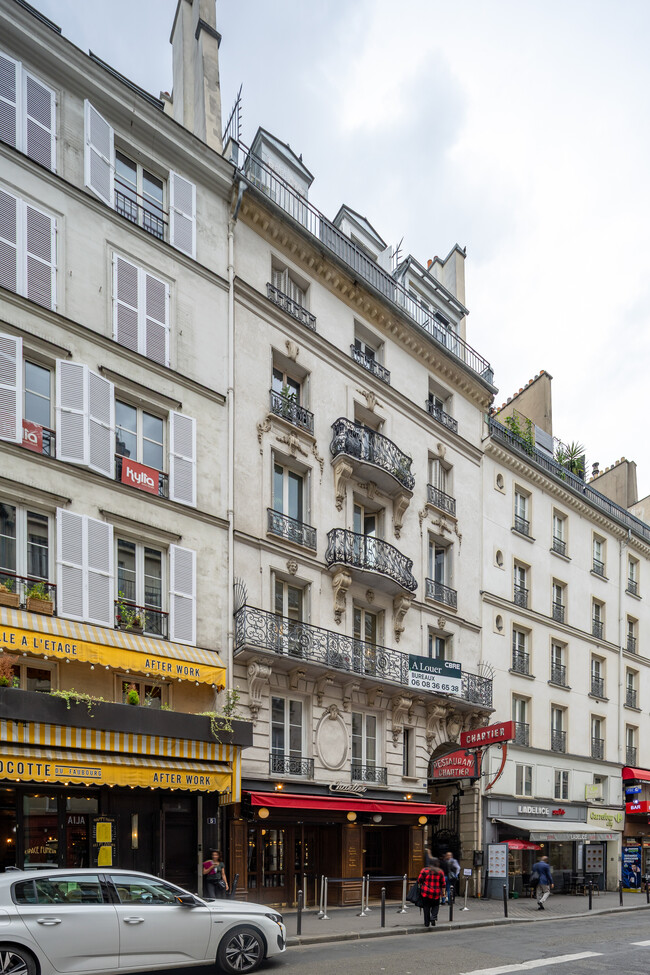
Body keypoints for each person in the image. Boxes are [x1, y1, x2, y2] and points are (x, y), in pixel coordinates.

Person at [417, 857, 445, 927]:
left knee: (426, 907)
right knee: (436, 905)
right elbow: (443, 883)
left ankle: (426, 923)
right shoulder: (440, 872)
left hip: (426, 892)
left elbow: (419, 880)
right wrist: (443, 892)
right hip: (436, 892)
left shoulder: (424, 870)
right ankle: (433, 917)